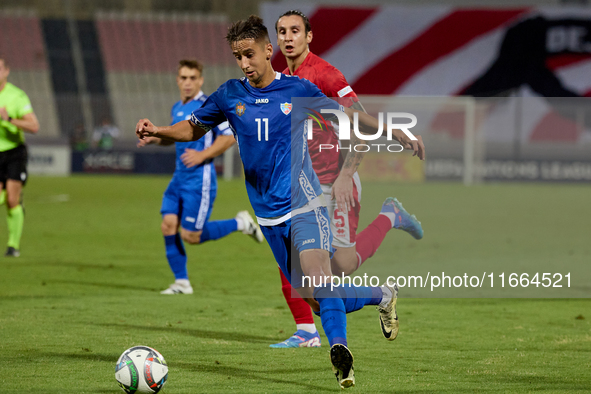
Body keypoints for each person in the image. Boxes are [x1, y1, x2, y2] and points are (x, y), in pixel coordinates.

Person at [136, 16, 425, 389]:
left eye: (250, 54)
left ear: (267, 51)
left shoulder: (297, 90)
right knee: (318, 300)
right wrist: (159, 130)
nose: (244, 63)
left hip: (305, 204)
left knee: (320, 277)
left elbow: (350, 117)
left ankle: (340, 352)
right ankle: (382, 295)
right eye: (238, 56)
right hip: (267, 216)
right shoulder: (229, 95)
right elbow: (193, 127)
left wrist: (392, 131)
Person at [270, 10, 425, 348]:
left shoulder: (325, 75)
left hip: (335, 181)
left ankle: (390, 217)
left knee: (342, 265)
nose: (288, 37)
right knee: (300, 267)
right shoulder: (281, 80)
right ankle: (308, 332)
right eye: (282, 31)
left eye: (295, 30)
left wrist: (346, 175)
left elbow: (359, 124)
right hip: (304, 189)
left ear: (308, 36)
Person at [138, 59, 264, 295]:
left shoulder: (208, 105)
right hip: (179, 179)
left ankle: (240, 223)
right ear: (177, 80)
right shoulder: (177, 107)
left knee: (191, 236)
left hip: (200, 180)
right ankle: (181, 282)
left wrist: (202, 155)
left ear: (200, 80)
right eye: (184, 78)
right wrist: (155, 138)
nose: (188, 83)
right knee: (168, 225)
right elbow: (176, 138)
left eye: (193, 78)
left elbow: (227, 137)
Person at [0, 57, 39, 257]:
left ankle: (13, 246)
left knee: (12, 200)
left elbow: (33, 126)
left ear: (6, 71)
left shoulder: (16, 96)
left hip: (14, 152)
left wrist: (9, 119)